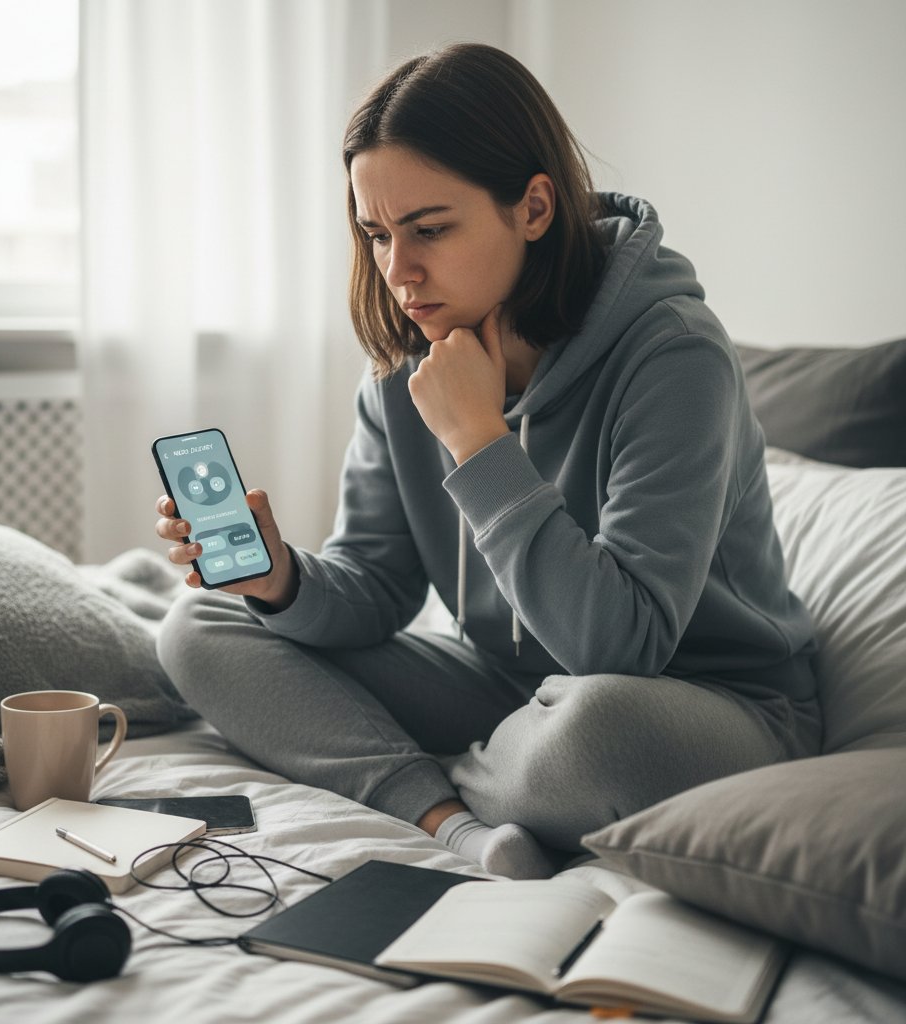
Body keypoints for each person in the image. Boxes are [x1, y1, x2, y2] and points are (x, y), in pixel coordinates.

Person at [155, 43, 820, 879]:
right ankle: (452, 821)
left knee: (594, 733)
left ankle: (479, 772)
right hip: (509, 687)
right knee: (202, 626)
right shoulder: (408, 369)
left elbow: (619, 644)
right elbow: (378, 587)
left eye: (430, 229)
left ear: (534, 207)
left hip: (697, 706)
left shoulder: (676, 359)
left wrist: (478, 442)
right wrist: (278, 577)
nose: (399, 271)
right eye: (376, 234)